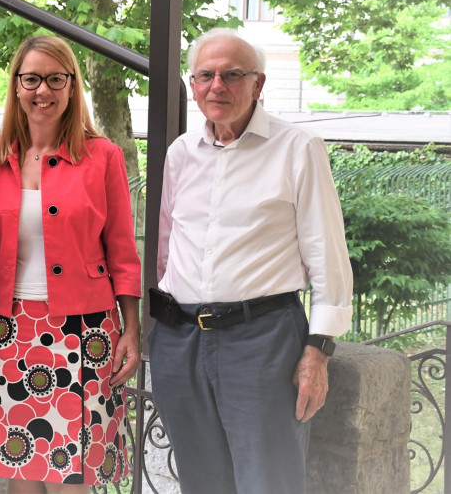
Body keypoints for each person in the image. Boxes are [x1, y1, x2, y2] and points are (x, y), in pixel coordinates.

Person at [149, 27, 354, 494]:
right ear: (193, 83)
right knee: (201, 481)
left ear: (257, 84)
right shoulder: (181, 153)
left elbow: (328, 254)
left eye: (232, 75)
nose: (217, 86)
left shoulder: (297, 148)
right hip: (180, 342)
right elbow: (164, 247)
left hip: (261, 342)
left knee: (269, 481)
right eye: (205, 75)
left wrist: (318, 350)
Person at [0, 34, 142, 492]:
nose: (42, 91)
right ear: (16, 85)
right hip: (9, 330)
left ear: (71, 86)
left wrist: (132, 330)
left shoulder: (102, 155)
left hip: (86, 331)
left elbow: (123, 249)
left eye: (54, 79)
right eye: (31, 79)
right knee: (20, 472)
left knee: (75, 477)